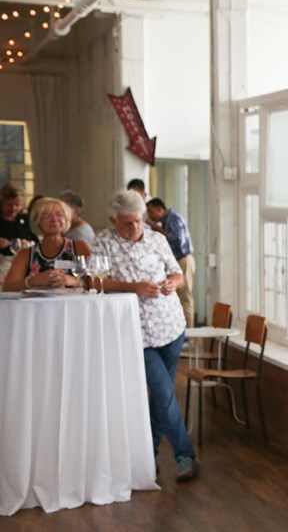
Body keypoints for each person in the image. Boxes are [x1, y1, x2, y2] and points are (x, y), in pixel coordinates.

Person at [91, 189, 199, 482]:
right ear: (113, 220)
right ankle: (185, 455)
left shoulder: (157, 238)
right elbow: (94, 281)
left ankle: (148, 457)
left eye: (138, 221)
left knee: (159, 399)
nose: (135, 227)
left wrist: (171, 283)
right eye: (127, 223)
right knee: (164, 392)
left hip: (171, 326)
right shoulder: (103, 242)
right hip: (136, 333)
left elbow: (177, 272)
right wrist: (134, 286)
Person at [3, 197, 91, 292]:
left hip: (73, 305)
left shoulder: (79, 247)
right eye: (46, 215)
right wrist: (34, 281)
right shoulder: (26, 254)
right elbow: (7, 288)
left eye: (59, 214)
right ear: (37, 221)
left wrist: (75, 281)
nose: (54, 219)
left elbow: (97, 282)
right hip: (37, 306)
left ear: (66, 219)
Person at [145, 197, 196, 328]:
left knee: (185, 298)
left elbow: (177, 240)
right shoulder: (167, 220)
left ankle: (188, 334)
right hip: (178, 260)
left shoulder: (173, 218)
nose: (149, 215)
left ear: (159, 209)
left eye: (150, 211)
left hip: (183, 260)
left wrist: (156, 228)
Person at [0, 183, 36, 284]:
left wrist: (28, 243)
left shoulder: (27, 219)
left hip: (24, 261)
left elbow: (36, 241)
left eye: (17, 205)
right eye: (9, 205)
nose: (13, 208)